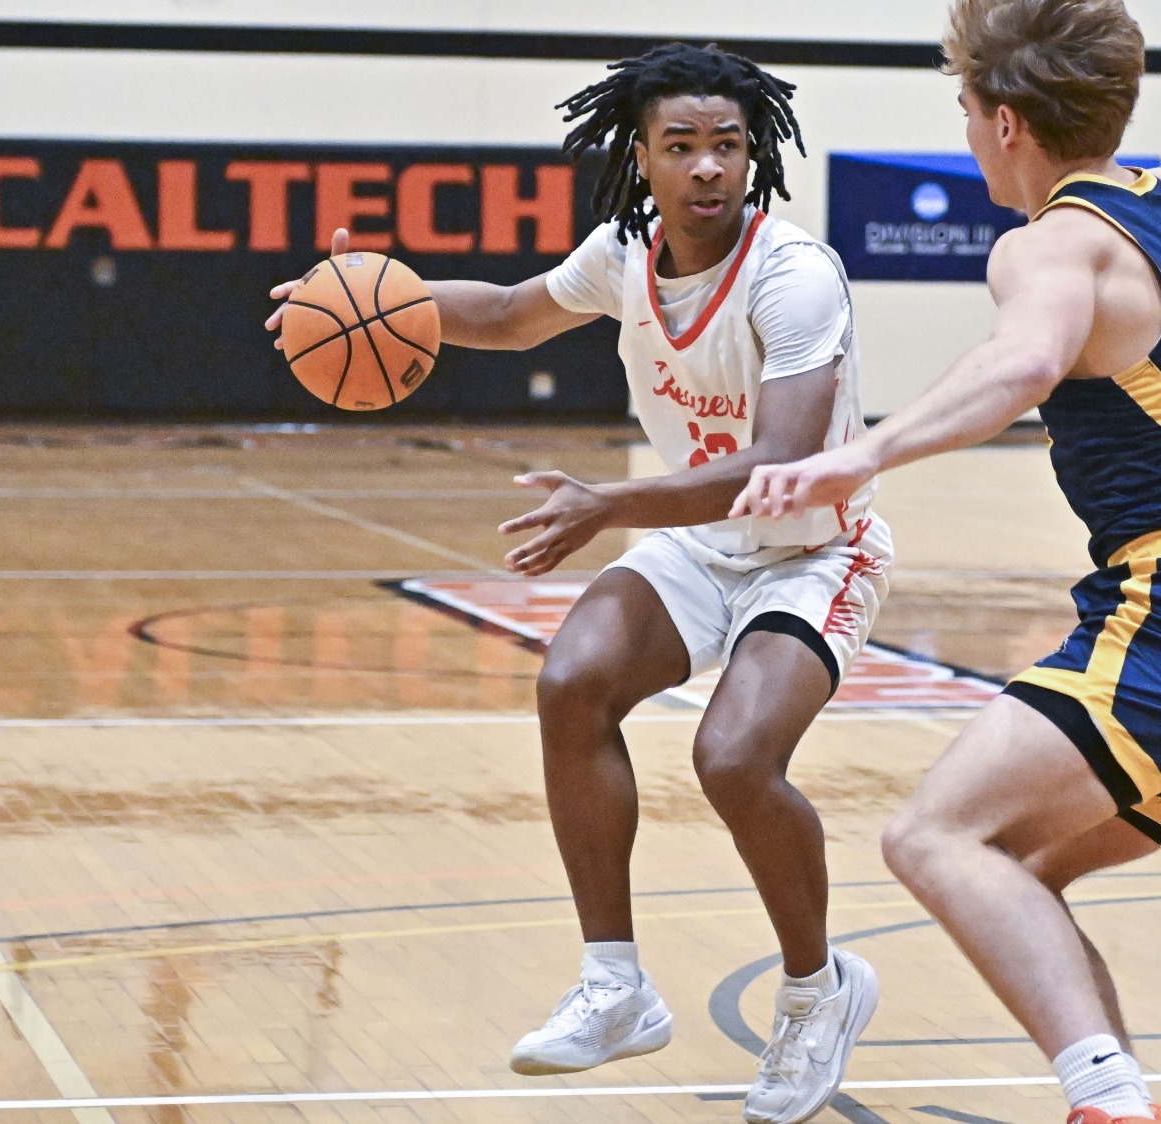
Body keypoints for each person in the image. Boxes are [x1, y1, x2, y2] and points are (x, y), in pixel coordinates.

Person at [731, 2, 1161, 1121]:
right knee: (1018, 875)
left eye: (963, 115)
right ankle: (1114, 1095)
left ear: (1005, 124)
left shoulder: (1048, 242)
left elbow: (1025, 359)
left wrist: (861, 450)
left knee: (930, 835)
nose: (965, 136)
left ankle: (1104, 1100)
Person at [266, 43, 884, 1124]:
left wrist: (606, 501)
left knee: (733, 756)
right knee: (571, 684)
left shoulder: (794, 274)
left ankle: (815, 990)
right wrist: (371, 298)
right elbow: (507, 313)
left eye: (726, 146)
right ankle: (614, 985)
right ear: (640, 155)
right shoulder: (621, 254)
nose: (705, 168)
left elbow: (780, 466)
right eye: (680, 146)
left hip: (809, 550)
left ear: (756, 155)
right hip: (697, 544)